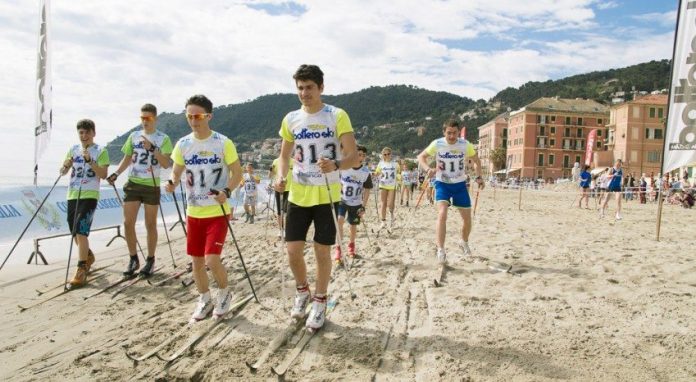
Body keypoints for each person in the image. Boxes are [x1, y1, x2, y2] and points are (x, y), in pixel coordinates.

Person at [274, 64, 359, 330]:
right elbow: (284, 156)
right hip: (298, 193)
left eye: (309, 87)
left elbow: (353, 156)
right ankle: (302, 292)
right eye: (300, 88)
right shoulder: (291, 119)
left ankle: (320, 300)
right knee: (292, 250)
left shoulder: (337, 115)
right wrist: (280, 176)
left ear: (321, 87)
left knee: (322, 250)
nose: (304, 93)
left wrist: (335, 164)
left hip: (327, 193)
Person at [164, 94, 243, 321]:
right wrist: (171, 182)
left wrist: (226, 192)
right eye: (189, 116)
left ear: (209, 116)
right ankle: (204, 299)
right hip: (194, 212)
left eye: (197, 116)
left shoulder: (222, 142)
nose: (193, 120)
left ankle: (225, 294)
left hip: (217, 211)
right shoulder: (183, 144)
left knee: (211, 259)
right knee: (196, 261)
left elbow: (236, 173)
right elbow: (177, 171)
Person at [107, 104, 173, 277]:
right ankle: (133, 258)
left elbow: (166, 163)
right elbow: (128, 157)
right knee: (128, 223)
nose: (145, 121)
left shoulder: (163, 138)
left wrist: (152, 148)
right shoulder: (134, 136)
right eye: (142, 118)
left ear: (155, 119)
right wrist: (116, 173)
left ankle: (150, 260)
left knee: (150, 224)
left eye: (148, 118)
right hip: (133, 183)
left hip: (151, 184)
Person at [417, 119, 483, 264]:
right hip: (442, 184)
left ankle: (464, 242)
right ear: (444, 132)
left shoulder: (465, 145)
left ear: (458, 132)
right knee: (442, 214)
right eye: (449, 133)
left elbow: (477, 161)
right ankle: (441, 249)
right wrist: (428, 169)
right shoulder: (437, 143)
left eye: (454, 133)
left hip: (460, 185)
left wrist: (479, 177)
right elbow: (421, 157)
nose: (452, 136)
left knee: (467, 219)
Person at [60, 119, 109, 287]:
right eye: (81, 132)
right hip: (73, 194)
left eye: (87, 132)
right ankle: (88, 256)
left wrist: (90, 161)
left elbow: (103, 174)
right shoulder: (73, 149)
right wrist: (65, 166)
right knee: (74, 232)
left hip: (89, 195)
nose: (84, 135)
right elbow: (63, 171)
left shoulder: (100, 151)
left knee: (81, 231)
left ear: (93, 133)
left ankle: (81, 269)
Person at [335, 145, 373, 263]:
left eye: (363, 155)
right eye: (358, 154)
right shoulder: (344, 168)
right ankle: (338, 249)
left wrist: (363, 206)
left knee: (353, 226)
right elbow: (335, 180)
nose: (360, 157)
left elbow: (367, 190)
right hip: (342, 200)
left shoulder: (365, 172)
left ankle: (351, 247)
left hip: (356, 203)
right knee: (339, 220)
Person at [374, 148, 399, 229]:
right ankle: (383, 221)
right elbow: (377, 172)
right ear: (382, 155)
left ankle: (392, 216)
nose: (387, 155)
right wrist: (375, 174)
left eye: (388, 154)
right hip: (383, 185)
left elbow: (399, 173)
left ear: (391, 154)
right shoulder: (380, 164)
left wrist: (399, 177)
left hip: (392, 186)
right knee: (383, 203)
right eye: (385, 154)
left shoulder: (395, 164)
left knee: (390, 204)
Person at [269, 157, 292, 235]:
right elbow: (270, 176)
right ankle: (281, 230)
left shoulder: (293, 161)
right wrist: (270, 170)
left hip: (290, 189)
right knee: (279, 211)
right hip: (278, 189)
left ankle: (288, 229)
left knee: (287, 211)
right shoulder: (275, 161)